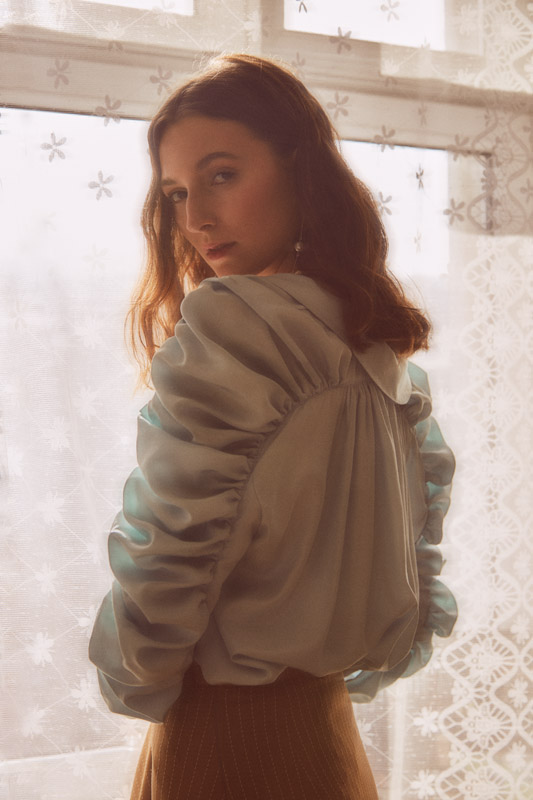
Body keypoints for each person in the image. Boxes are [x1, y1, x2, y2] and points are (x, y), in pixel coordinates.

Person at [89, 53, 457, 799]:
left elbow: (169, 552)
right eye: (177, 193)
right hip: (324, 732)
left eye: (222, 175)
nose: (195, 218)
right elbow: (411, 560)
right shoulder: (371, 349)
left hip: (225, 737)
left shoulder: (240, 330)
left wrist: (134, 676)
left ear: (300, 168)